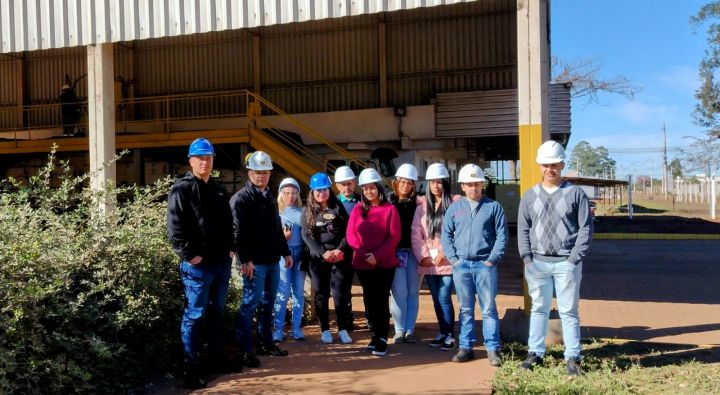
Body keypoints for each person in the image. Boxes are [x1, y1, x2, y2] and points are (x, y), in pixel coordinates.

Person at [517, 140, 593, 377]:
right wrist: (527, 259)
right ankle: (535, 353)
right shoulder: (530, 196)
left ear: (562, 164)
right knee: (539, 309)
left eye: (555, 164)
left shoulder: (576, 194)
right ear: (540, 166)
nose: (550, 169)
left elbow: (586, 229)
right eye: (546, 165)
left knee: (569, 311)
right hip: (538, 263)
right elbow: (522, 229)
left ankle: (572, 357)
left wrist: (573, 260)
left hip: (566, 263)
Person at [166, 138, 237, 389]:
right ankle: (191, 367)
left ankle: (217, 359)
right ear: (191, 161)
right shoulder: (181, 190)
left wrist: (231, 249)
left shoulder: (217, 190)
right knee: (194, 316)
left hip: (220, 264)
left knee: (216, 313)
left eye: (208, 157)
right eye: (200, 158)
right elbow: (175, 228)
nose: (205, 161)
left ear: (213, 160)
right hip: (198, 266)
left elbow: (229, 224)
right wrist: (190, 255)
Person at [441, 164, 508, 366]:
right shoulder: (454, 209)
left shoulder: (493, 207)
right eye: (469, 185)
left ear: (482, 184)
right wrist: (453, 259)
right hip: (461, 266)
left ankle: (492, 349)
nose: (473, 188)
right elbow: (446, 235)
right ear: (462, 186)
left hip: (484, 266)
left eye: (477, 184)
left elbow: (502, 236)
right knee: (466, 309)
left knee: (488, 308)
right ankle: (466, 347)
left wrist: (492, 260)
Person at [232, 151, 292, 368]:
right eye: (257, 172)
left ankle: (266, 343)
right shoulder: (241, 199)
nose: (261, 176)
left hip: (272, 260)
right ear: (249, 173)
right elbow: (237, 232)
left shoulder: (269, 196)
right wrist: (245, 260)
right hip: (254, 263)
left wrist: (285, 252)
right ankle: (245, 351)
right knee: (249, 305)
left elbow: (277, 228)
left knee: (268, 304)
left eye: (265, 172)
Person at [346, 168, 401, 356]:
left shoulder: (390, 209)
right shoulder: (357, 209)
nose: (369, 191)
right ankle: (375, 335)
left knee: (380, 300)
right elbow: (351, 235)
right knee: (369, 300)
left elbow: (394, 237)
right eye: (365, 188)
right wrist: (364, 254)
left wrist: (377, 255)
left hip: (384, 264)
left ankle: (382, 338)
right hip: (362, 264)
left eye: (372, 188)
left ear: (378, 188)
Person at [411, 163, 460, 351]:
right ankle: (442, 331)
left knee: (444, 296)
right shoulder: (422, 207)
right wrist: (423, 255)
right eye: (433, 183)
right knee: (435, 298)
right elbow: (416, 233)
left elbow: (458, 232)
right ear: (428, 185)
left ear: (445, 183)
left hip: (447, 261)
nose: (436, 186)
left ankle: (450, 335)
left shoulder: (455, 204)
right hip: (429, 262)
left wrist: (445, 253)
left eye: (439, 182)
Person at [301, 172, 354, 344]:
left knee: (341, 295)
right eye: (318, 190)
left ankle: (343, 328)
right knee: (321, 295)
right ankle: (325, 329)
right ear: (312, 191)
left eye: (324, 189)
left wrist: (340, 250)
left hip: (339, 258)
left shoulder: (338, 207)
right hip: (318, 260)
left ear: (329, 190)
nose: (322, 193)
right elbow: (307, 236)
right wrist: (323, 253)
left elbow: (348, 232)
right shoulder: (307, 211)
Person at [388, 163, 425, 344]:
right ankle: (399, 329)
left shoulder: (420, 204)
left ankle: (410, 330)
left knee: (413, 291)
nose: (405, 186)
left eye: (409, 183)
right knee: (398, 292)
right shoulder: (388, 202)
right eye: (402, 182)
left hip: (414, 253)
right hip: (395, 253)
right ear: (395, 183)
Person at [272, 178, 307, 343]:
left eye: (293, 193)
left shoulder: (303, 212)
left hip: (299, 254)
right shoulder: (275, 212)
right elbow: (271, 237)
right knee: (283, 292)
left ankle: (296, 328)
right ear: (281, 194)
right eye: (286, 192)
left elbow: (307, 235)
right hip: (283, 255)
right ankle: (278, 329)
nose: (290, 196)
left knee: (299, 292)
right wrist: (282, 239)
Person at [334, 165, 363, 331]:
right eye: (343, 184)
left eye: (349, 183)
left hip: (362, 250)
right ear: (337, 185)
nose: (347, 187)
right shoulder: (334, 204)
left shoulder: (363, 200)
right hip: (343, 251)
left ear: (354, 183)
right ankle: (346, 319)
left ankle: (372, 320)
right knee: (344, 288)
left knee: (368, 286)